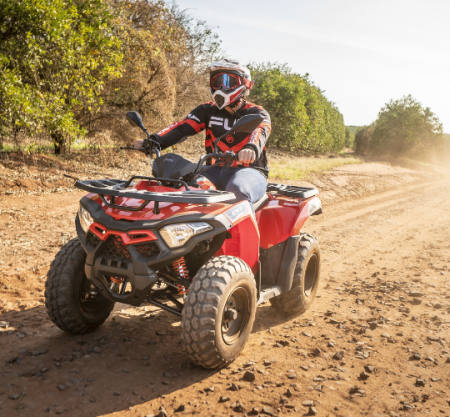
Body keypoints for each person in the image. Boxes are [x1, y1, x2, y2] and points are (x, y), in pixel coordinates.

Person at [134, 59, 271, 204]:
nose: (221, 87)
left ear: (243, 85)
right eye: (216, 82)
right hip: (213, 168)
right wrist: (154, 141)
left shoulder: (257, 113)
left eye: (228, 82)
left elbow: (260, 132)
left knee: (237, 190)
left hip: (250, 171)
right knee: (180, 185)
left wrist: (251, 148)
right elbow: (182, 127)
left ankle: (243, 226)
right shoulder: (207, 110)